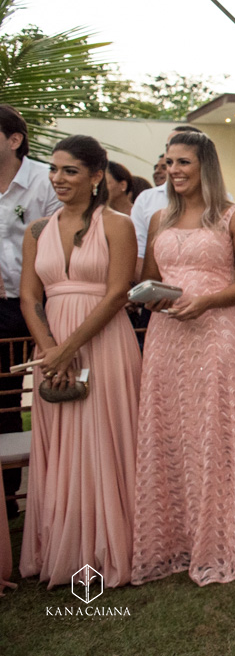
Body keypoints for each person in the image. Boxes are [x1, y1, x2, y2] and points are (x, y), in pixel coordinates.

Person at [131, 130, 235, 586]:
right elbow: (149, 276)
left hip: (218, 334)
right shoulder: (158, 220)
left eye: (184, 162)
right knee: (172, 431)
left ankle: (224, 538)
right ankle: (177, 538)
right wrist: (151, 298)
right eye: (169, 163)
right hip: (167, 335)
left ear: (204, 164)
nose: (175, 171)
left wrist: (206, 301)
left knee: (217, 432)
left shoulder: (234, 216)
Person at [18, 135, 140, 589]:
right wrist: (51, 350)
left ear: (95, 177)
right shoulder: (36, 229)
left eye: (69, 171)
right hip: (51, 347)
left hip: (104, 342)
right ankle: (63, 544)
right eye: (53, 170)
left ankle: (111, 544)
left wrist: (70, 350)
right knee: (64, 441)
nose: (57, 179)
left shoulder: (118, 225)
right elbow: (30, 297)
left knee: (104, 437)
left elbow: (116, 295)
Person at [0, 105, 60, 517]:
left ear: (14, 139)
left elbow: (68, 240)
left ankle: (56, 493)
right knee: (1, 404)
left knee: (50, 396)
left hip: (41, 304)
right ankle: (6, 504)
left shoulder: (46, 180)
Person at [130, 124, 203, 279]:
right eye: (169, 145)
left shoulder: (224, 206)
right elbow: (139, 250)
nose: (174, 149)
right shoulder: (147, 199)